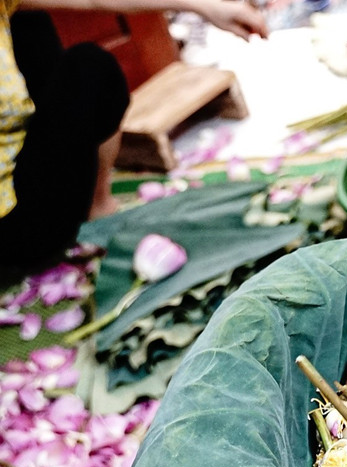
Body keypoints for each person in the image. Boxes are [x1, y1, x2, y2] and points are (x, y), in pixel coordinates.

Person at [0, 0, 267, 279]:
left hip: (27, 169)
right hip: (13, 228)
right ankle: (58, 231)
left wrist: (205, 6)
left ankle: (97, 205)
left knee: (29, 22)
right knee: (89, 67)